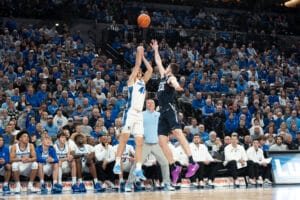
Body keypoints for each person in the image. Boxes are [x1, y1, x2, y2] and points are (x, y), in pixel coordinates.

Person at [151, 39, 199, 185]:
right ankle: (174, 166)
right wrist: (156, 50)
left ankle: (192, 162)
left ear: (170, 69)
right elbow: (158, 62)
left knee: (178, 133)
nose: (164, 67)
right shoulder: (162, 77)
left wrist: (178, 86)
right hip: (162, 113)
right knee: (162, 141)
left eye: (167, 67)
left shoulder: (170, 78)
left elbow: (174, 82)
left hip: (170, 109)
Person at [113, 45, 153, 181]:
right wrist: (139, 54)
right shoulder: (131, 82)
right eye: (137, 73)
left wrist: (144, 58)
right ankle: (117, 163)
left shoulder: (143, 82)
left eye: (140, 73)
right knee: (124, 138)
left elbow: (151, 70)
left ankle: (138, 168)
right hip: (130, 113)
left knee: (139, 142)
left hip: (139, 114)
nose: (139, 73)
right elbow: (136, 65)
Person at [125, 99, 174, 192]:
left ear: (155, 105)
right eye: (148, 103)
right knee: (137, 164)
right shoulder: (141, 115)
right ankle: (128, 184)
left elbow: (164, 127)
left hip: (157, 144)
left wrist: (165, 136)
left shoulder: (159, 115)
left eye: (152, 103)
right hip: (144, 144)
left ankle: (167, 184)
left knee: (164, 163)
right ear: (146, 105)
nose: (150, 104)